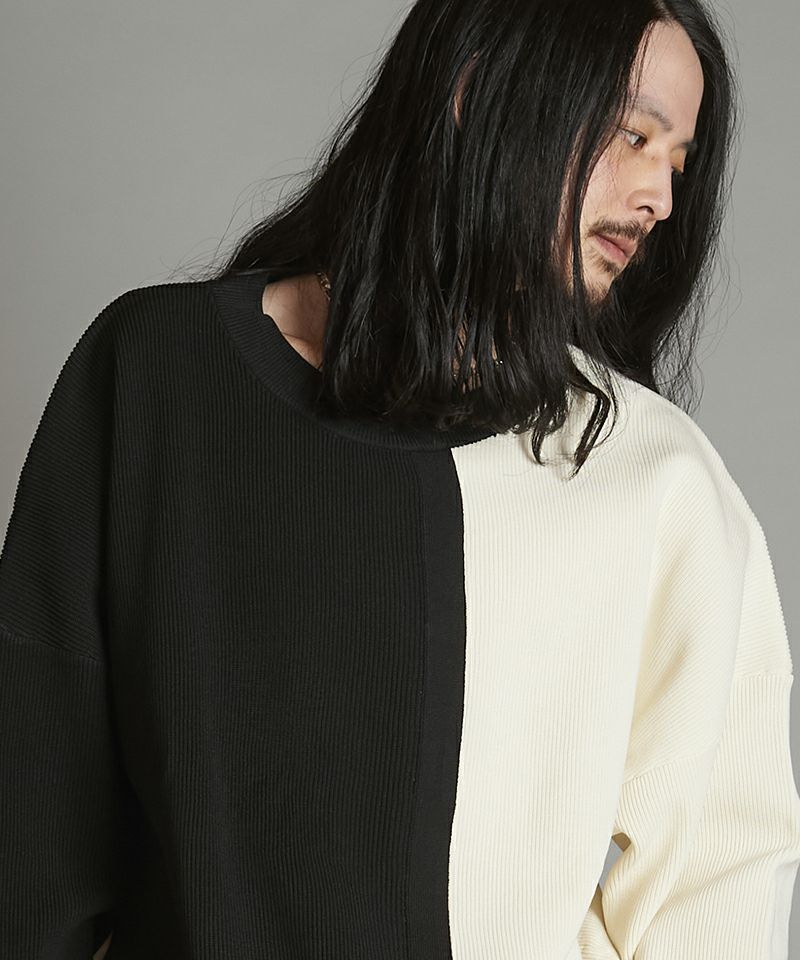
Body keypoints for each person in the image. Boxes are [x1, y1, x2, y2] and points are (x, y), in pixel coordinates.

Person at [1, 1, 799, 958]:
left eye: (678, 159)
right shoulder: (158, 376)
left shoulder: (653, 474)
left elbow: (719, 880)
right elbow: (34, 813)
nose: (662, 196)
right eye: (634, 134)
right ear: (476, 89)